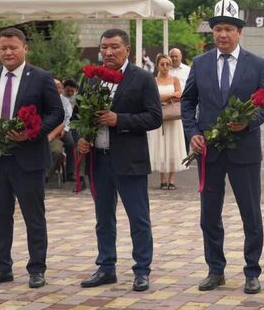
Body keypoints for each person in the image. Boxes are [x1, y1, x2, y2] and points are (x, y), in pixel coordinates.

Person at [181, 0, 264, 294]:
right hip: (209, 152)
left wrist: (248, 122)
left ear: (239, 32)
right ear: (212, 32)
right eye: (218, 29)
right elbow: (188, 102)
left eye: (229, 29)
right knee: (209, 214)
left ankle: (252, 271)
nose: (223, 35)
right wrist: (192, 132)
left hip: (244, 151)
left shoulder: (257, 64)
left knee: (250, 213)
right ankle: (215, 269)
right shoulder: (200, 64)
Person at [0, 27, 64, 289]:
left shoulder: (41, 77)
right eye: (3, 48)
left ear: (25, 49)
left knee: (33, 216)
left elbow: (56, 113)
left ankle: (37, 269)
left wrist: (33, 133)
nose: (8, 52)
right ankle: (1, 268)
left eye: (13, 47)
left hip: (29, 158)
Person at [76, 28, 161, 292]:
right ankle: (106, 267)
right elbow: (78, 115)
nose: (108, 52)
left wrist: (119, 120)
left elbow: (154, 117)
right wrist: (80, 136)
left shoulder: (142, 78)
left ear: (127, 50)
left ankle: (142, 270)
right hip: (98, 160)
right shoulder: (90, 79)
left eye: (114, 47)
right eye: (104, 47)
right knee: (103, 217)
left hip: (129, 160)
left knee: (138, 217)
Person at [148, 53, 186, 190]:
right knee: (161, 146)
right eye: (162, 64)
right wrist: (170, 96)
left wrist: (164, 97)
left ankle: (172, 179)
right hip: (159, 117)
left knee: (173, 145)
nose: (165, 67)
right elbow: (153, 97)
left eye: (167, 64)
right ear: (157, 66)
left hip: (173, 118)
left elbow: (180, 95)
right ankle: (162, 179)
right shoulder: (153, 81)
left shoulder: (175, 79)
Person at [47, 79, 74, 182]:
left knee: (71, 144)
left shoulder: (65, 100)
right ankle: (47, 174)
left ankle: (70, 173)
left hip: (63, 128)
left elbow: (69, 117)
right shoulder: (45, 99)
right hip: (50, 130)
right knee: (55, 150)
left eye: (60, 87)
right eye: (56, 87)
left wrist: (65, 129)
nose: (58, 90)